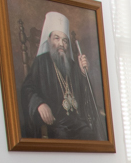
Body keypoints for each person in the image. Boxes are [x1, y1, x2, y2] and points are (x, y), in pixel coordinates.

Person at [20, 12, 106, 140]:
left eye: (65, 40)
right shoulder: (41, 62)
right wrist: (39, 104)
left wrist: (83, 74)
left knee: (90, 136)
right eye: (57, 38)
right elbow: (27, 88)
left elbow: (84, 98)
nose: (61, 44)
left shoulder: (72, 65)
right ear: (49, 39)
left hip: (77, 122)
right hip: (55, 124)